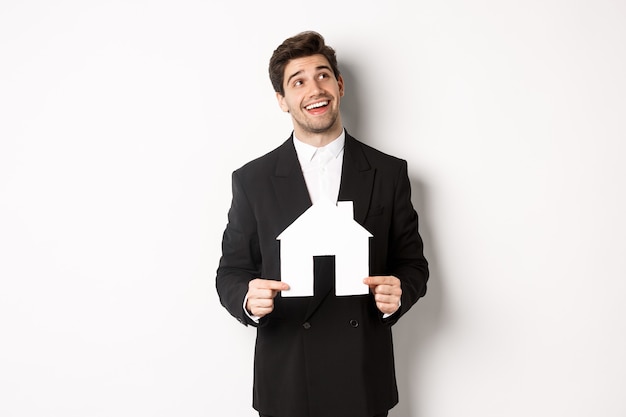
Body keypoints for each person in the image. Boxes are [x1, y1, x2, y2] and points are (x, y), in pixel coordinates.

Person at [216, 31, 429, 417]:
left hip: (363, 376)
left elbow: (413, 265)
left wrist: (400, 293)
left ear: (340, 85)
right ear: (282, 100)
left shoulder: (388, 172)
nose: (315, 88)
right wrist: (248, 298)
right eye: (298, 81)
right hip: (288, 378)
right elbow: (230, 271)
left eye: (323, 75)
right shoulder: (252, 180)